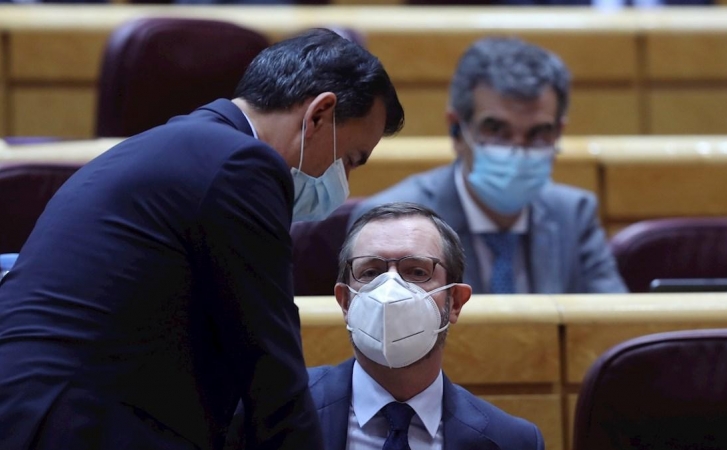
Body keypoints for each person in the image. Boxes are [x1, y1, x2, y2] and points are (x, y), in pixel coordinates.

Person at [0, 29, 403, 450]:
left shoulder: (180, 143)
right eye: (350, 160)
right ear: (319, 114)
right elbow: (271, 368)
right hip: (76, 424)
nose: (344, 180)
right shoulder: (241, 166)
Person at [350, 37, 627, 295]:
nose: (518, 150)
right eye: (497, 130)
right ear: (457, 129)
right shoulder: (390, 223)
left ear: (558, 133)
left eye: (538, 133)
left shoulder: (574, 216)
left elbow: (614, 327)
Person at [309, 202, 543, 449]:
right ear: (345, 302)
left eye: (417, 272)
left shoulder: (512, 441)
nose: (390, 291)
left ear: (455, 303)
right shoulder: (279, 407)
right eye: (370, 273)